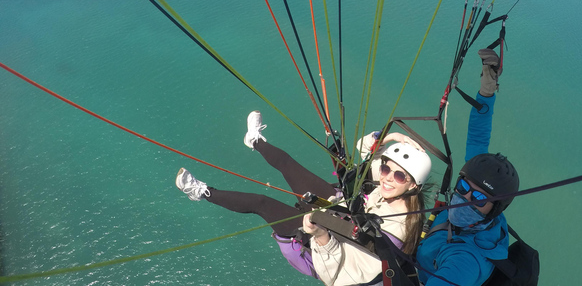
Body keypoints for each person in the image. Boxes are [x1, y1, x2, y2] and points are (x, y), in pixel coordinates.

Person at [175, 111, 431, 286]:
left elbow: (341, 273)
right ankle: (255, 140)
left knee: (261, 203)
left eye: (398, 176)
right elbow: (364, 151)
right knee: (290, 167)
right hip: (340, 210)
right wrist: (389, 139)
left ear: (413, 186)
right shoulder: (390, 186)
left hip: (322, 250)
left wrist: (320, 236)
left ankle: (201, 192)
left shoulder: (394, 235)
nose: (386, 178)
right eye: (386, 168)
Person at [416, 48, 520, 286]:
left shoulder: (465, 261)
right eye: (462, 186)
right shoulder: (477, 182)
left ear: (494, 209)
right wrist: (486, 92)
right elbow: (478, 137)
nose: (465, 197)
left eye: (480, 199)